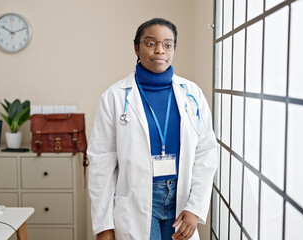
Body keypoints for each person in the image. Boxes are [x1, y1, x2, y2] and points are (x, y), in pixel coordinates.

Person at [88, 18, 218, 240]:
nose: (160, 50)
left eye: (167, 45)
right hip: (137, 198)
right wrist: (104, 227)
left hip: (181, 196)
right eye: (150, 43)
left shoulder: (192, 94)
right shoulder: (115, 97)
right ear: (136, 48)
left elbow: (206, 152)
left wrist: (196, 207)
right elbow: (101, 163)